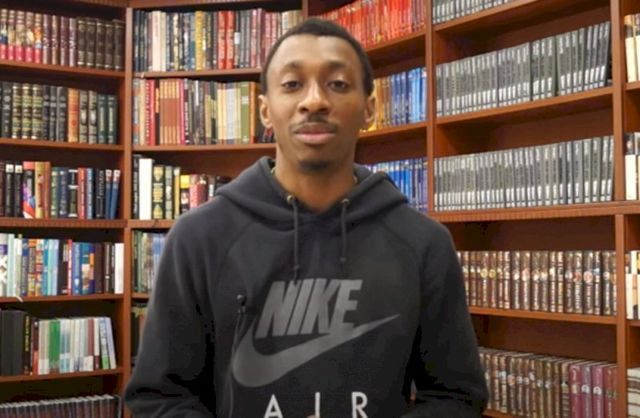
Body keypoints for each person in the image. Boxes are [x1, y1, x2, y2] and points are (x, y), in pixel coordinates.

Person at [124, 17, 488, 418]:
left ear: (369, 108)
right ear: (265, 110)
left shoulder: (424, 244)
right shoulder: (199, 238)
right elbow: (160, 396)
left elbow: (457, 396)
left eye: (338, 84)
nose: (314, 101)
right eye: (292, 84)